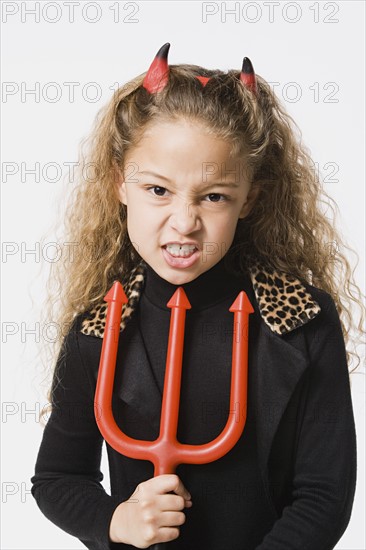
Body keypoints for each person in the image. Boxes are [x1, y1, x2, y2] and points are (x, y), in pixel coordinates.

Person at [31, 43, 364, 550]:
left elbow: (323, 494)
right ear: (121, 183)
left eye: (214, 196)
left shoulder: (302, 322)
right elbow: (58, 478)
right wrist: (115, 522)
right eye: (158, 190)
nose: (185, 222)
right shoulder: (99, 332)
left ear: (249, 198)